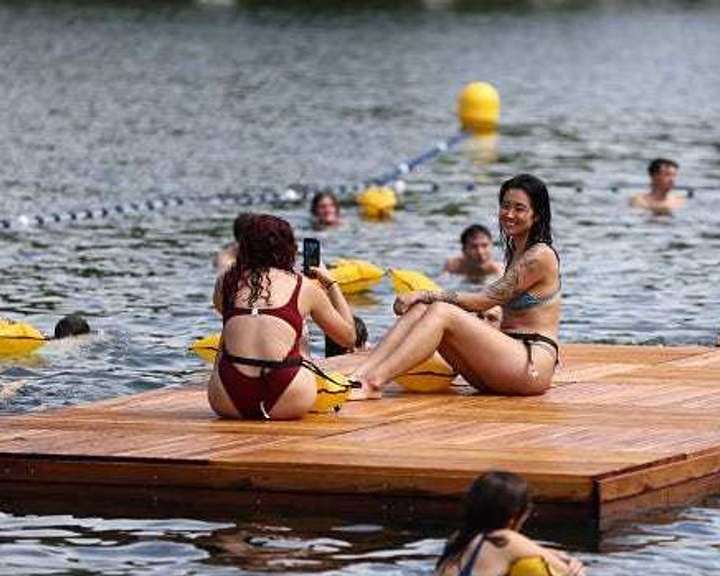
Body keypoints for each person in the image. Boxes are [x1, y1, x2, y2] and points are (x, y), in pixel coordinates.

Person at [348, 173, 561, 400]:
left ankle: (374, 382)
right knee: (421, 310)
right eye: (505, 206)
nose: (509, 214)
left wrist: (425, 293)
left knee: (440, 310)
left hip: (530, 364)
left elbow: (484, 300)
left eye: (519, 209)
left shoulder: (539, 256)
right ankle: (358, 376)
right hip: (505, 364)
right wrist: (424, 300)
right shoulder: (516, 251)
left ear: (536, 215)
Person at [208, 213, 356, 420]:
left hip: (227, 398)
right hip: (289, 394)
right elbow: (348, 338)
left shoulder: (226, 281)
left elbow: (223, 312)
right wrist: (331, 284)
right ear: (289, 248)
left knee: (232, 329)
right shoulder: (302, 286)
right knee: (297, 332)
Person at [435, 470, 585, 576]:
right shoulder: (506, 540)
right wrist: (574, 563)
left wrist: (553, 553)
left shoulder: (458, 539)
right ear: (513, 518)